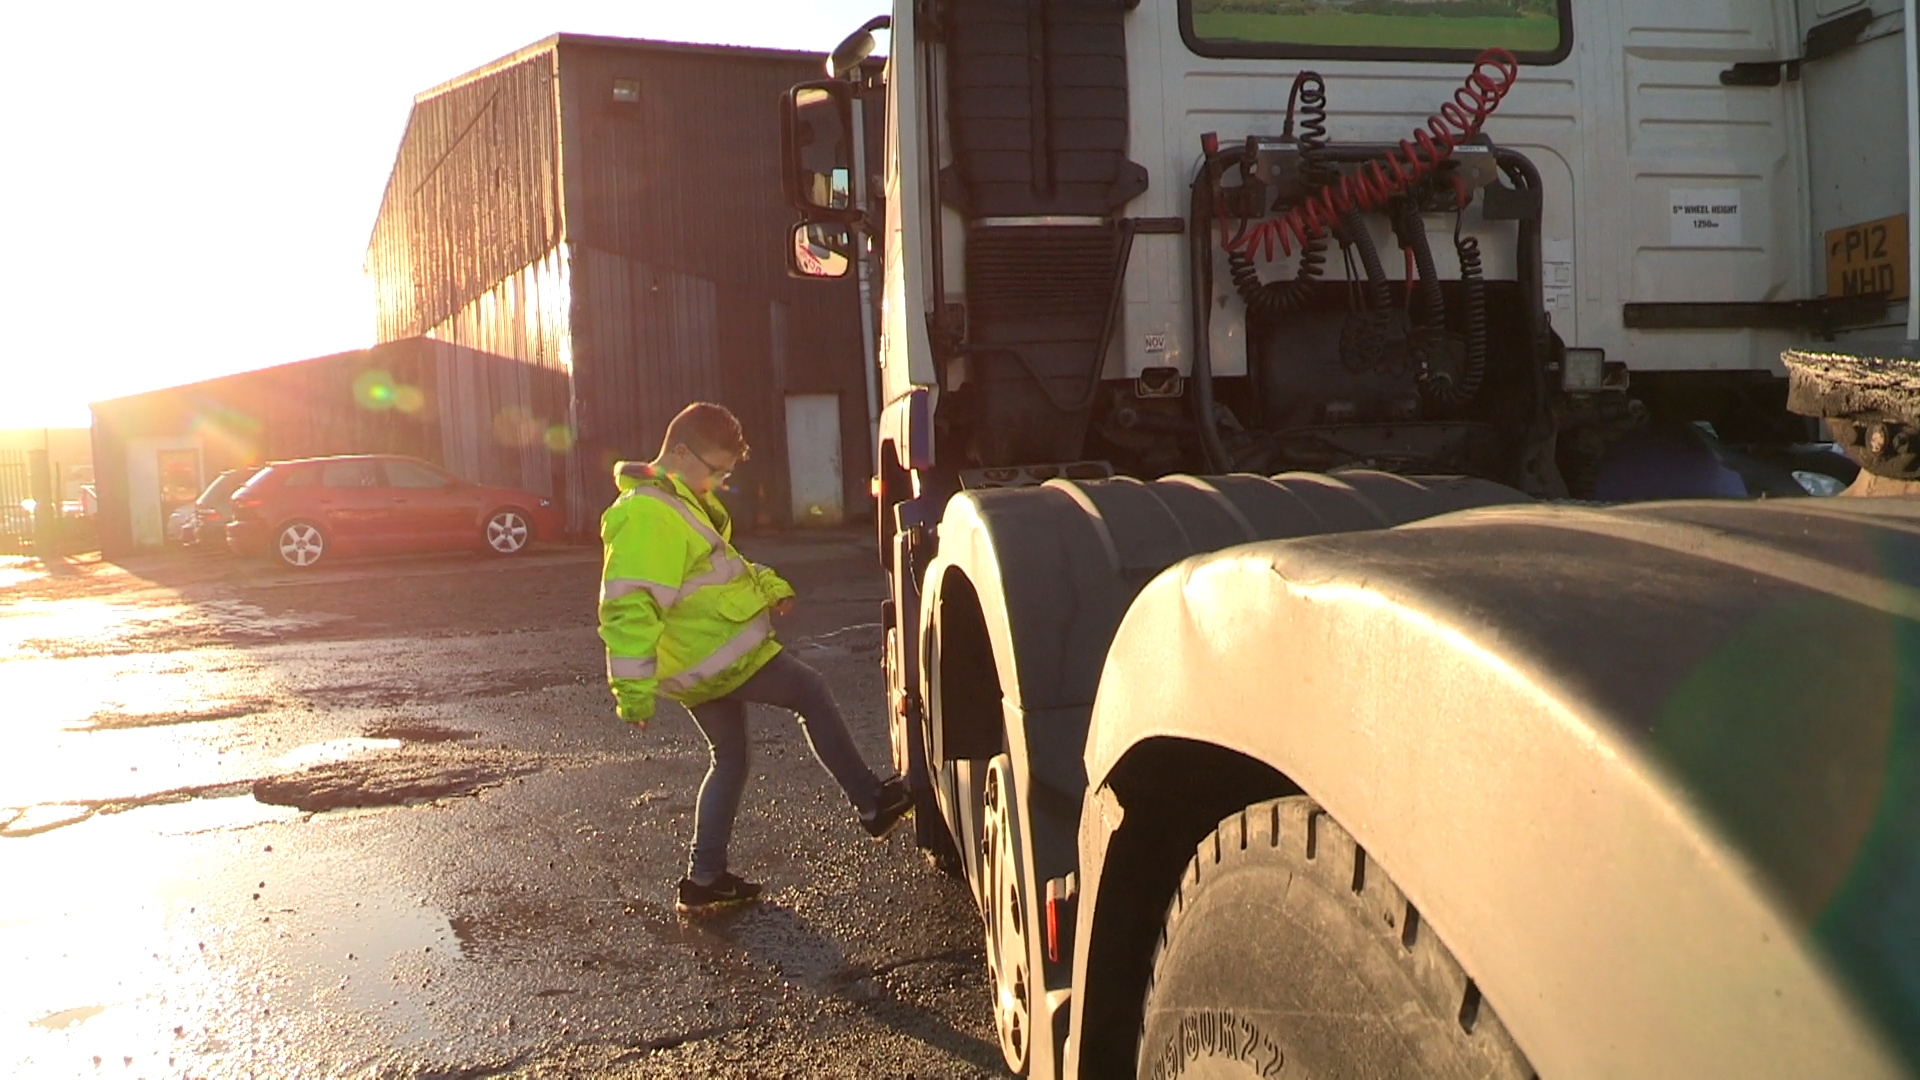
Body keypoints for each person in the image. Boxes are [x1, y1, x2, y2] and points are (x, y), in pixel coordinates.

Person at [598, 401, 912, 914]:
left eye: (725, 473)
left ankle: (704, 879)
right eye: (714, 469)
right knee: (810, 691)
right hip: (718, 657)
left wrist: (767, 584)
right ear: (680, 452)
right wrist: (631, 691)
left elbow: (716, 567)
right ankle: (872, 803)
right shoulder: (647, 513)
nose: (719, 481)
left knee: (731, 758)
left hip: (700, 663)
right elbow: (629, 604)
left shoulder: (673, 503)